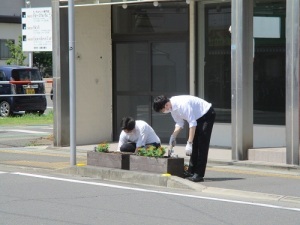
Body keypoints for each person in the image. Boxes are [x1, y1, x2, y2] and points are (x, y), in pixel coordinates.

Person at [153, 95, 216, 182]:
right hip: (198, 117)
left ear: (166, 105)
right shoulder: (172, 108)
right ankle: (191, 171)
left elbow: (192, 123)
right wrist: (173, 136)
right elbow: (179, 123)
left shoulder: (182, 105)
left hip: (206, 114)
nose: (163, 112)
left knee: (202, 144)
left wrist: (189, 143)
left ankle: (199, 174)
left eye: (162, 110)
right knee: (195, 143)